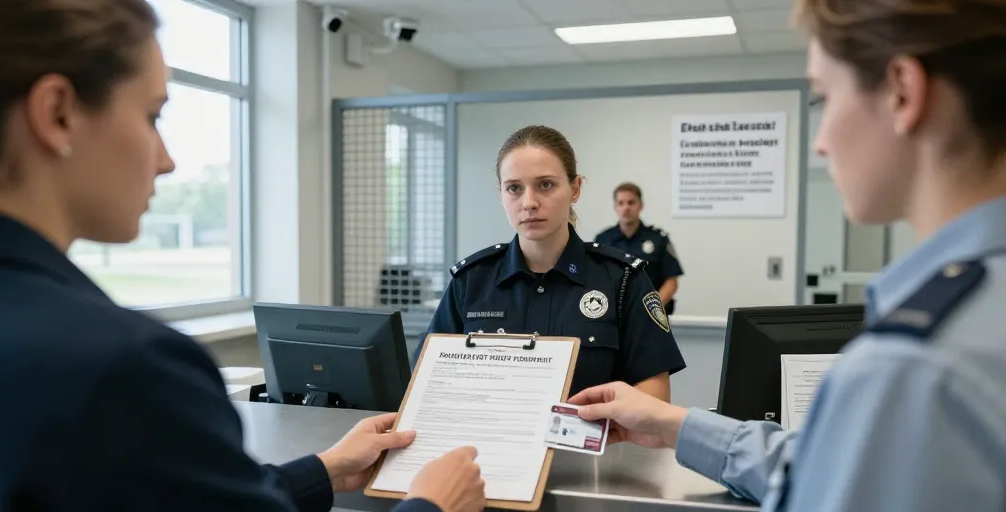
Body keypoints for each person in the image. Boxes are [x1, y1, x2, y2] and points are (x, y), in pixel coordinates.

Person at [0, 1, 485, 511]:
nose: (167, 159)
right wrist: (430, 505)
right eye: (152, 115)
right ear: (57, 113)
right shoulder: (123, 370)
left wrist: (324, 470)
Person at [568, 0, 1006, 510]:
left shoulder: (915, 367)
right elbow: (822, 464)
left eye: (823, 98)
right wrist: (675, 424)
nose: (819, 143)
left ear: (902, 93)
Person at [414, 125, 686, 401]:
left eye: (546, 185)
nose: (529, 202)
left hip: (593, 443)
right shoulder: (471, 282)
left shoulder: (623, 280)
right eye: (514, 188)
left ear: (575, 188)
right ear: (501, 194)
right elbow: (424, 384)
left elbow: (654, 397)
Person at [594, 183, 684, 315]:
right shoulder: (603, 240)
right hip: (612, 316)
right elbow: (594, 278)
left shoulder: (659, 239)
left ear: (640, 205)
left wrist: (651, 309)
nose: (626, 208)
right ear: (615, 207)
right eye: (621, 203)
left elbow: (671, 281)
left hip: (651, 317)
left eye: (631, 202)